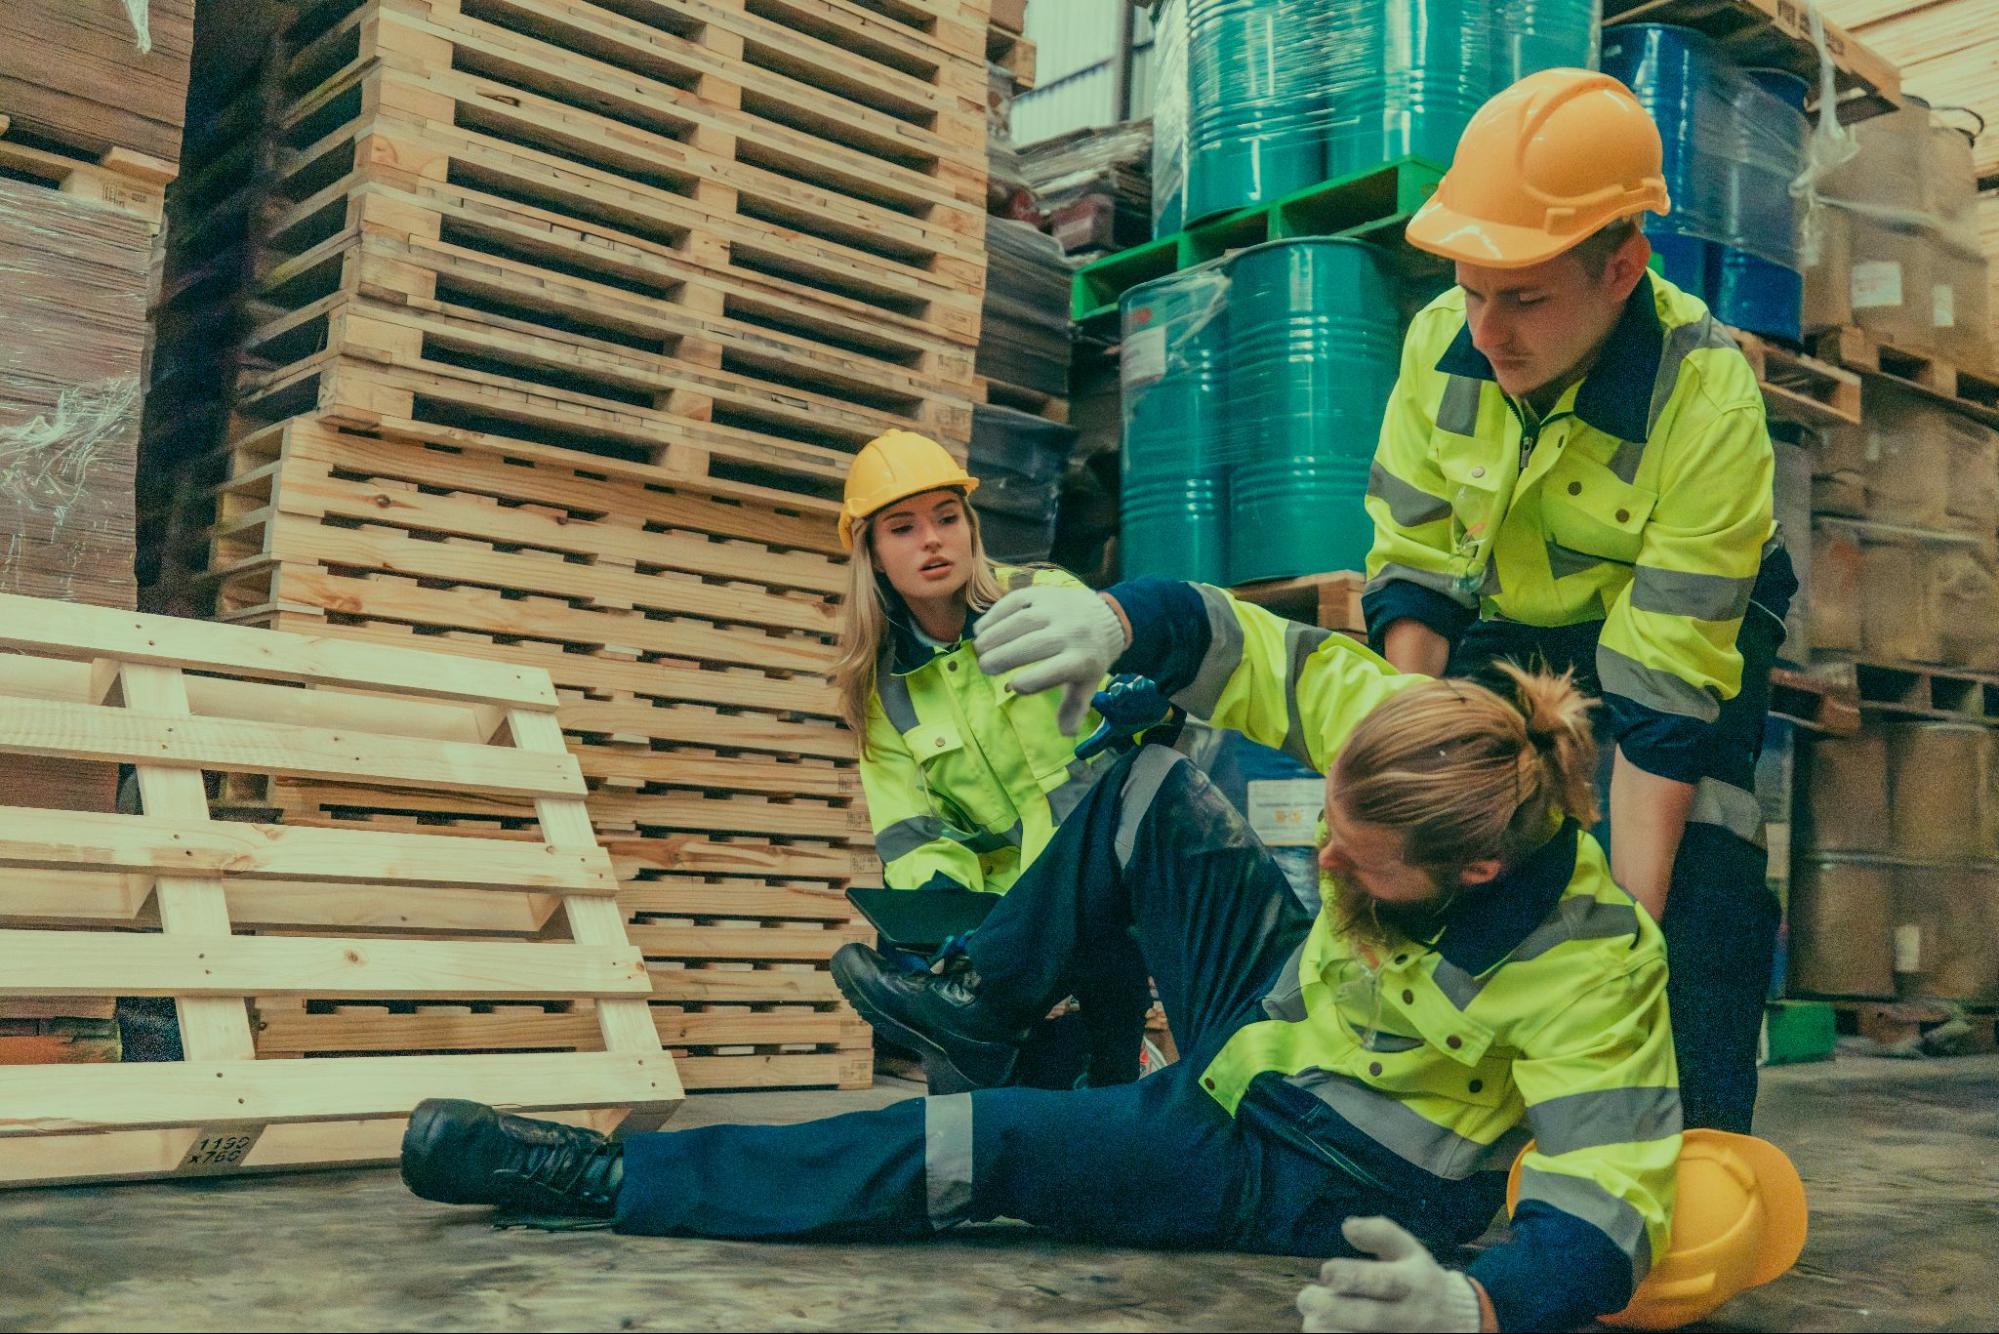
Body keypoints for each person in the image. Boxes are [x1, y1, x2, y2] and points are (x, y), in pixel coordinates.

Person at [401, 586, 1681, 1334]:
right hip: (1265, 1032)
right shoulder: (1409, 731)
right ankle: (985, 992)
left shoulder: (1592, 967)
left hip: (1304, 1162)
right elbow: (1233, 640)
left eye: (1360, 860)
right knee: (1150, 785)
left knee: (975, 1143)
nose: (1327, 866)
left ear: (1475, 871)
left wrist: (1473, 1307)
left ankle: (604, 1172)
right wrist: (1113, 617)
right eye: (1328, 832)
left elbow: (1601, 1223)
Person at [1361, 69, 1796, 1132]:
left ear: (1622, 267)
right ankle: (1445, 1114)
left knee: (1703, 879)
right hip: (1509, 613)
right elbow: (1414, 562)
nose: (1487, 329)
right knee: (1452, 831)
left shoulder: (1704, 392)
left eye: (1524, 296)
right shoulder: (1441, 343)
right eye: (1470, 289)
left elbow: (1659, 691)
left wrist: (1625, 946)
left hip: (1675, 637)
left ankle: (1681, 1130)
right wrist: (1404, 777)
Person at [830, 429, 1149, 1089]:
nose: (932, 540)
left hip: (1112, 878)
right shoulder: (884, 683)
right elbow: (908, 829)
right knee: (980, 1095)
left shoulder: (1043, 598)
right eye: (903, 527)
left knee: (1102, 1081)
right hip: (1003, 916)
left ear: (971, 527)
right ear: (872, 552)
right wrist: (949, 916)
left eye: (947, 518)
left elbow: (1122, 743)